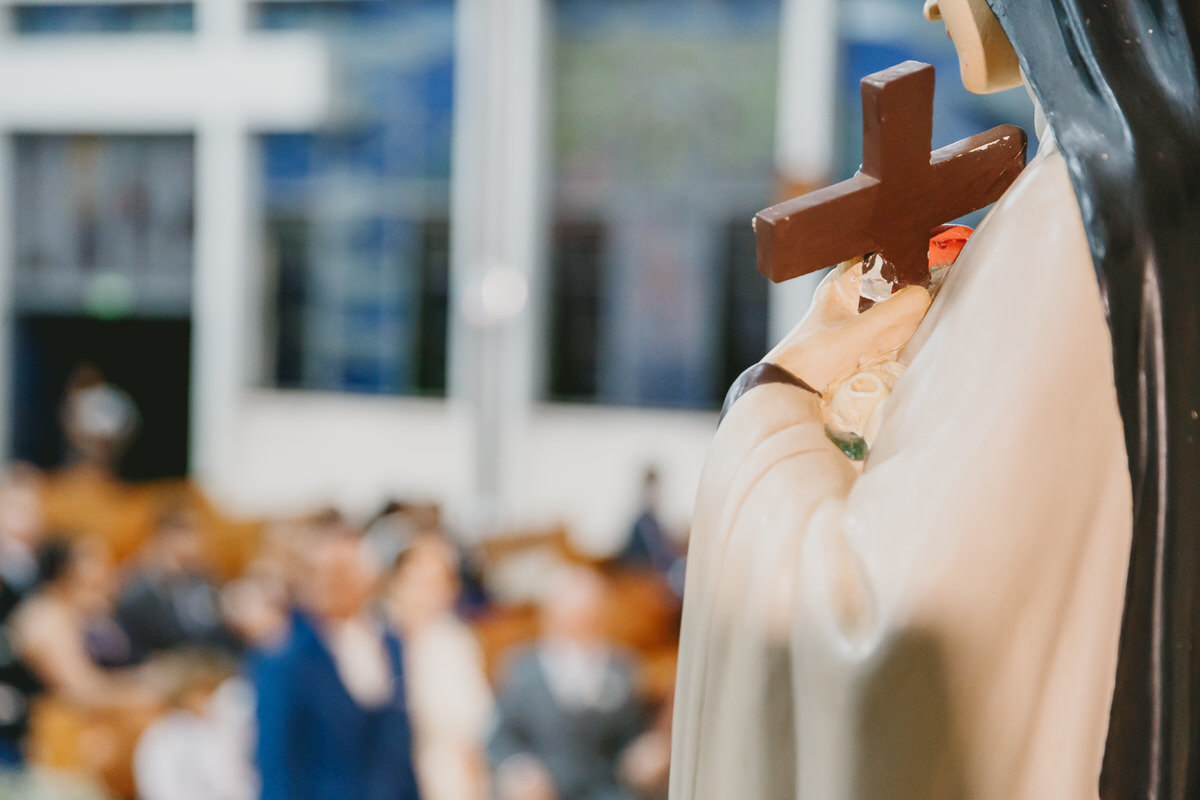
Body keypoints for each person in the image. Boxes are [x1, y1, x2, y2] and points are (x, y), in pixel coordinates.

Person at [669, 1, 1200, 798]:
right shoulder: (1165, 194)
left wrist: (776, 399)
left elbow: (878, 629)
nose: (930, 3)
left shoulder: (1067, 225)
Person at [253, 515, 420, 800]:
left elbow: (400, 750)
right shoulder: (282, 660)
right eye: (321, 572)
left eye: (345, 570)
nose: (334, 583)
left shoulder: (392, 643)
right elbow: (276, 767)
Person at [489, 567, 645, 800]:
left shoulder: (621, 666)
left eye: (587, 614)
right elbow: (501, 737)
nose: (579, 621)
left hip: (605, 788)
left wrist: (642, 753)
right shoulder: (522, 668)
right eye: (571, 614)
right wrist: (520, 769)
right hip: (542, 790)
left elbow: (632, 734)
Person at [386, 533, 493, 800]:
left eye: (436, 583)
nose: (425, 593)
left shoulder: (456, 641)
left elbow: (473, 727)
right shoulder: (379, 638)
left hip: (447, 773)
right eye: (417, 581)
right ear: (396, 583)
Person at [113, 503, 232, 662]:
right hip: (167, 666)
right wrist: (165, 578)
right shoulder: (141, 583)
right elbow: (152, 633)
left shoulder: (203, 576)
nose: (199, 541)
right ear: (164, 537)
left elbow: (218, 624)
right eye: (189, 532)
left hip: (213, 661)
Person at [133, 650, 256, 800]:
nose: (210, 698)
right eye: (203, 690)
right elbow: (161, 789)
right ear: (185, 693)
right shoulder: (163, 737)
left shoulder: (235, 723)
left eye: (213, 688)